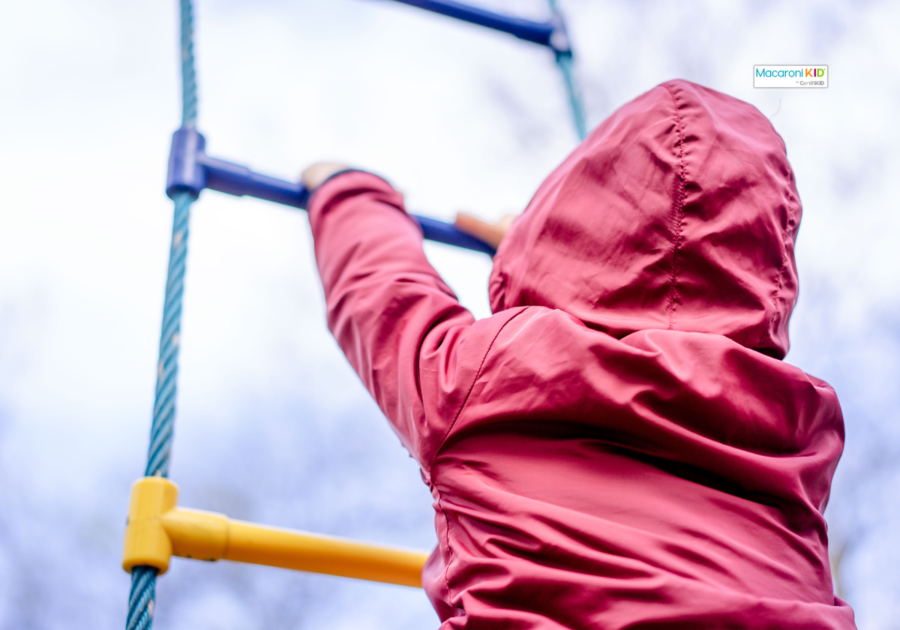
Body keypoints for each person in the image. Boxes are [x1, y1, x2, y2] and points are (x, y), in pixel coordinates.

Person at [300, 79, 856, 629]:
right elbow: (678, 276)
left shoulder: (487, 377)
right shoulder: (793, 432)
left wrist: (345, 189)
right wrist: (538, 255)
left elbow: (386, 294)